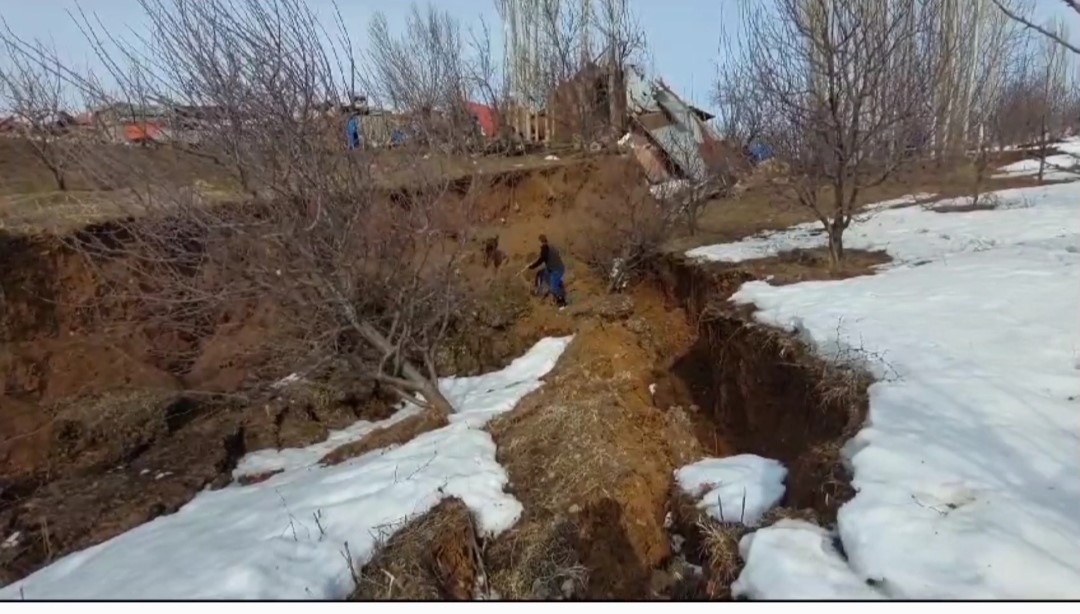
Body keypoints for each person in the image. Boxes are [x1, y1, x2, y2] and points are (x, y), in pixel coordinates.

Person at [526, 234, 566, 307]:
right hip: (552, 269)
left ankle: (562, 302)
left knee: (553, 288)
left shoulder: (545, 249)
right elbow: (543, 257)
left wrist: (531, 266)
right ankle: (538, 290)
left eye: (538, 242)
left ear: (540, 242)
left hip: (556, 270)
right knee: (540, 274)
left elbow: (541, 260)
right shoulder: (549, 247)